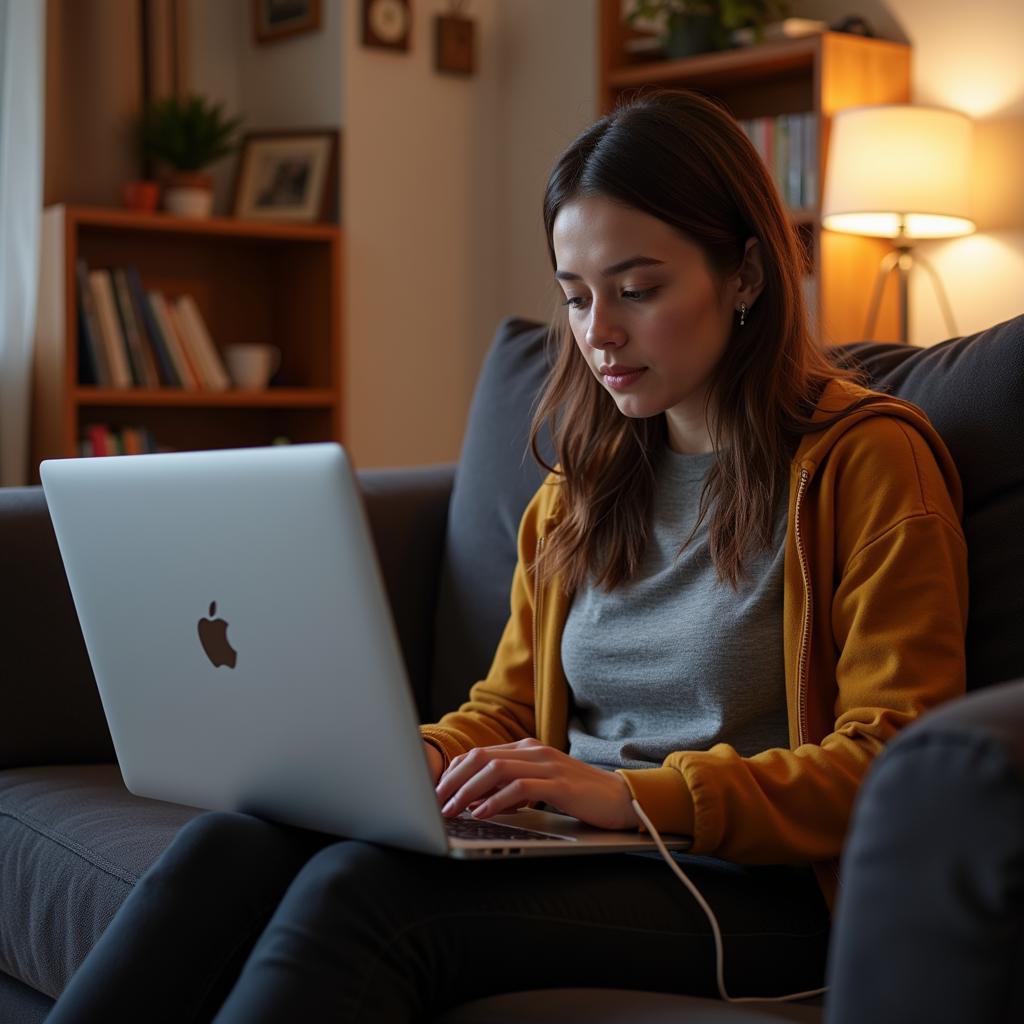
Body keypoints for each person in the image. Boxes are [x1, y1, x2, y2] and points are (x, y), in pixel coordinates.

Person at [45, 89, 968, 1023]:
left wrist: (628, 796)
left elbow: (896, 761)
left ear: (747, 276)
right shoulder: (588, 481)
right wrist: (387, 766)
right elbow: (509, 708)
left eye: (638, 290)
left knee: (366, 897)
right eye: (575, 297)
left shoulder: (868, 461)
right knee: (231, 848)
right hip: (587, 842)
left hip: (753, 886)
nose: (599, 332)